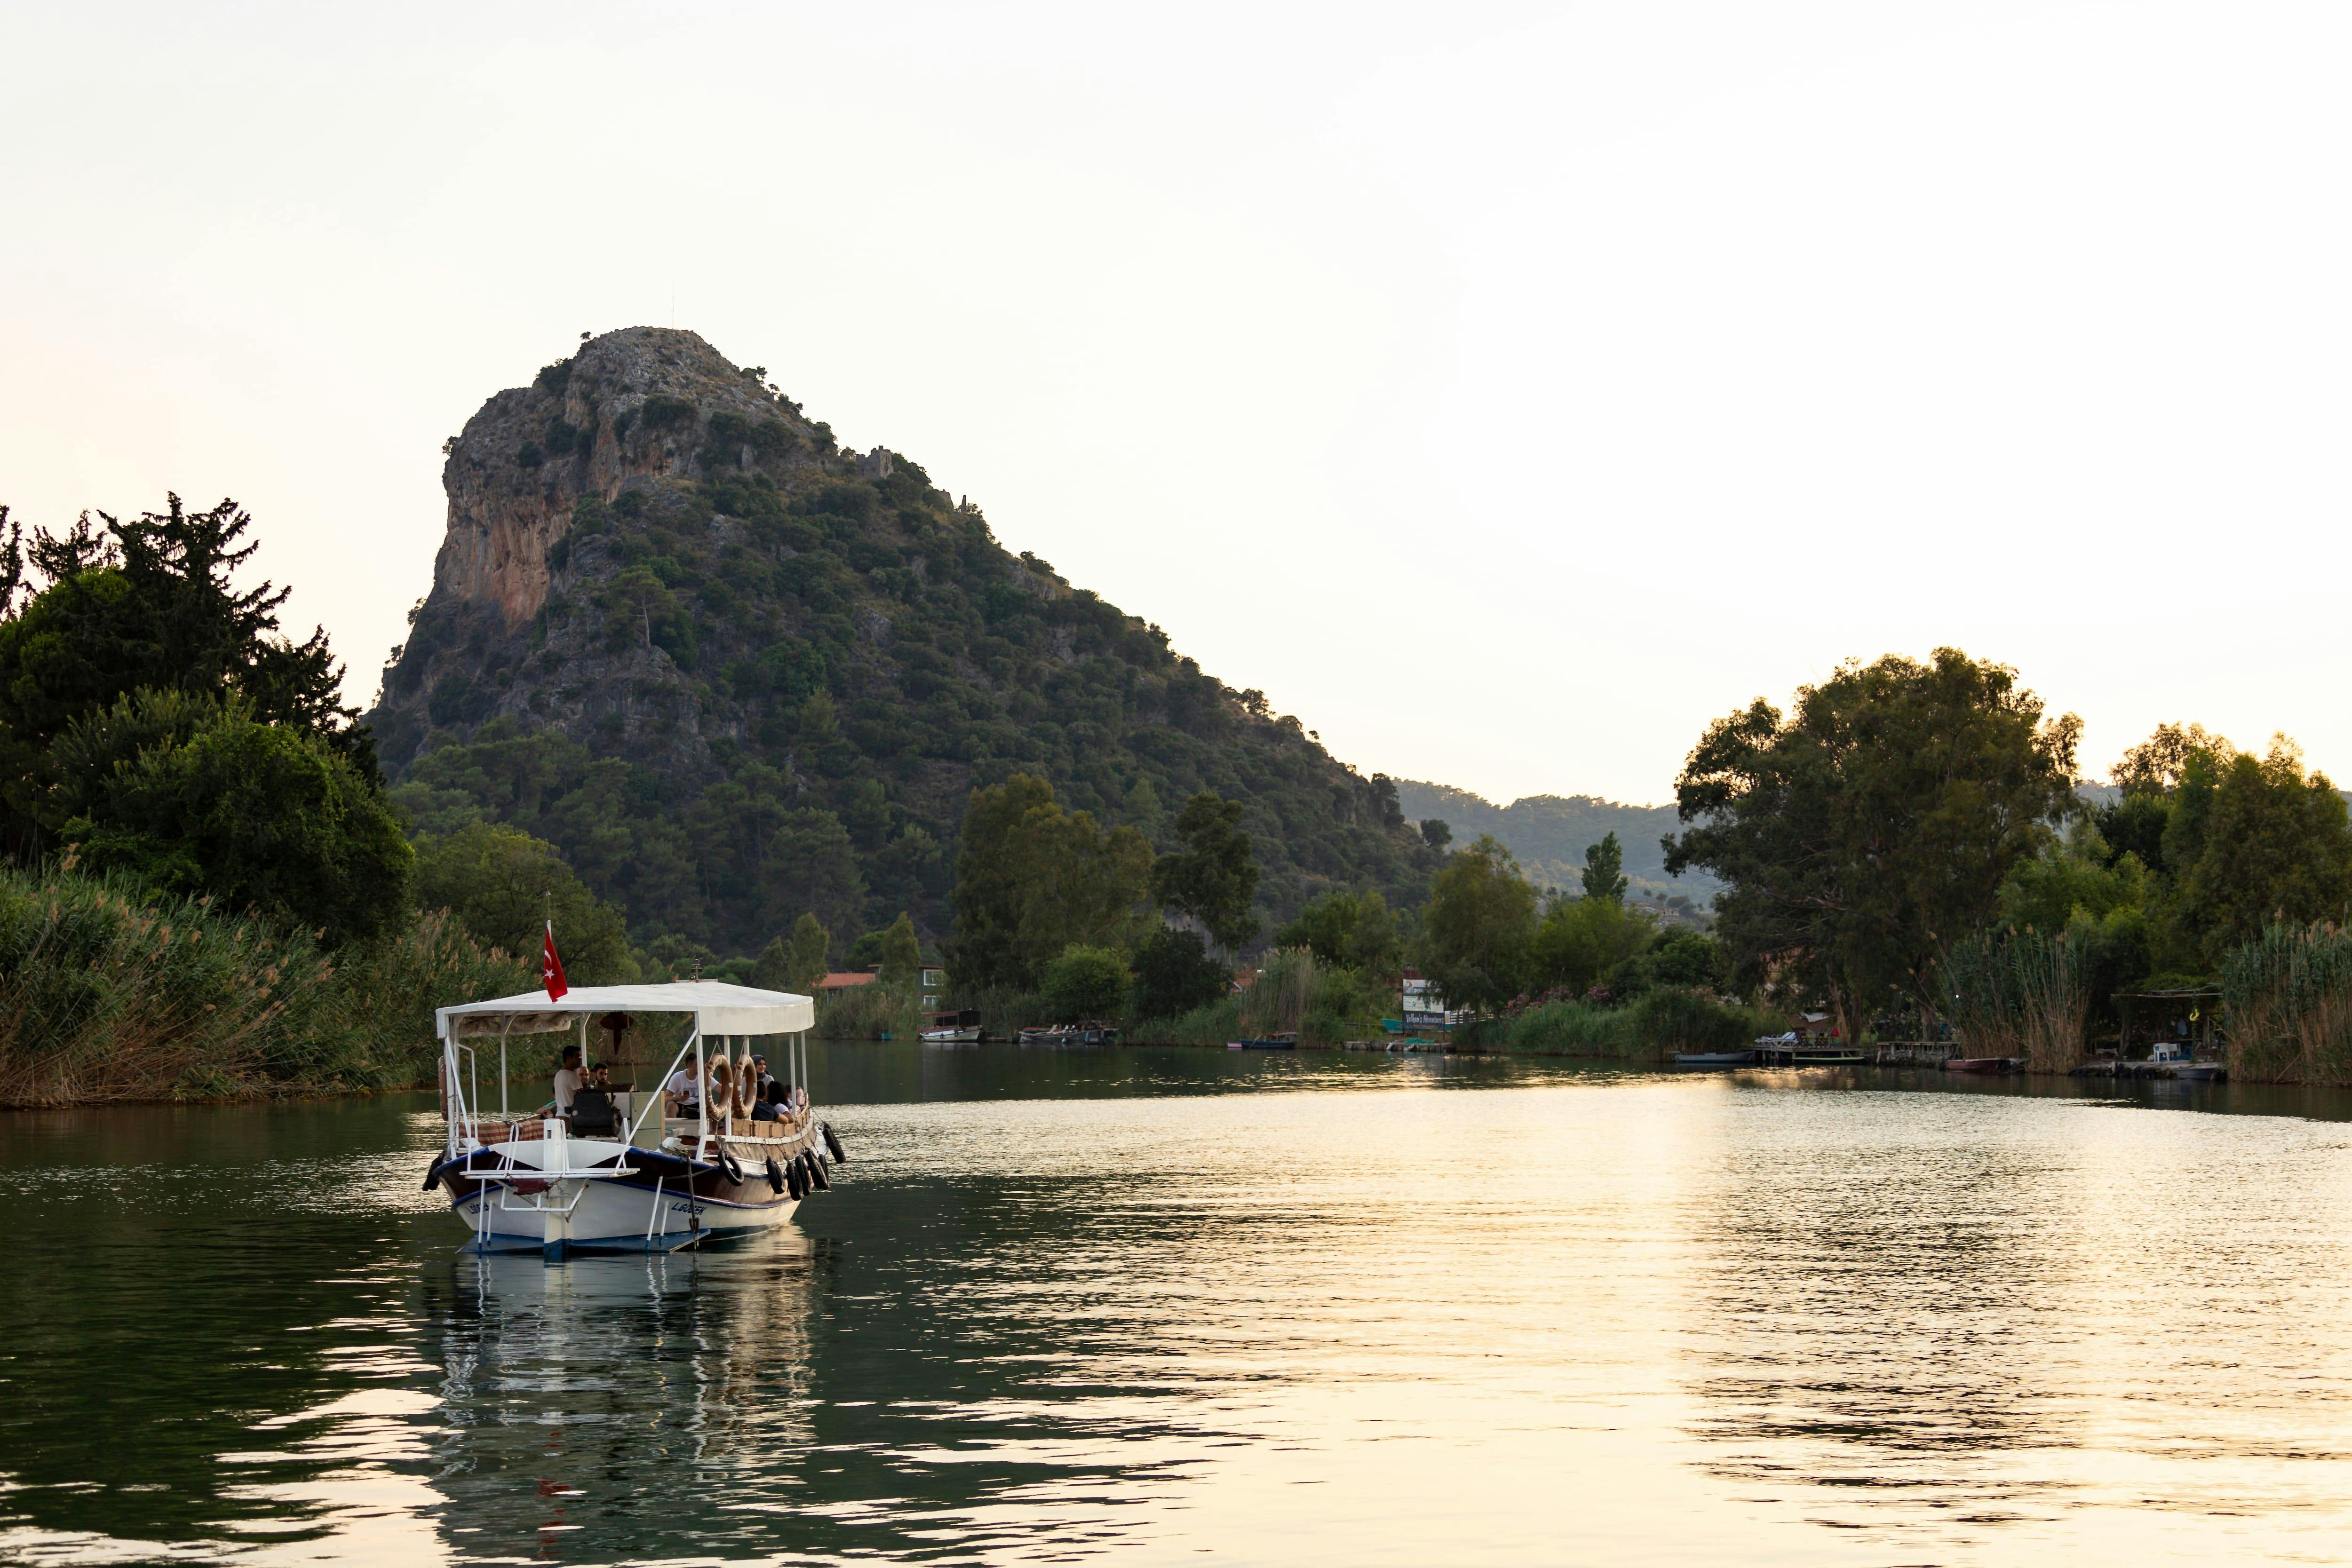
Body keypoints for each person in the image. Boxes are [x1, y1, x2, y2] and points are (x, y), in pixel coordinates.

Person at [549, 1045, 584, 1117]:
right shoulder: (572, 1076)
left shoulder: (558, 1075)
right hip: (570, 1118)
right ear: (569, 1059)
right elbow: (581, 1098)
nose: (580, 1059)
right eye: (577, 1057)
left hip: (559, 1116)